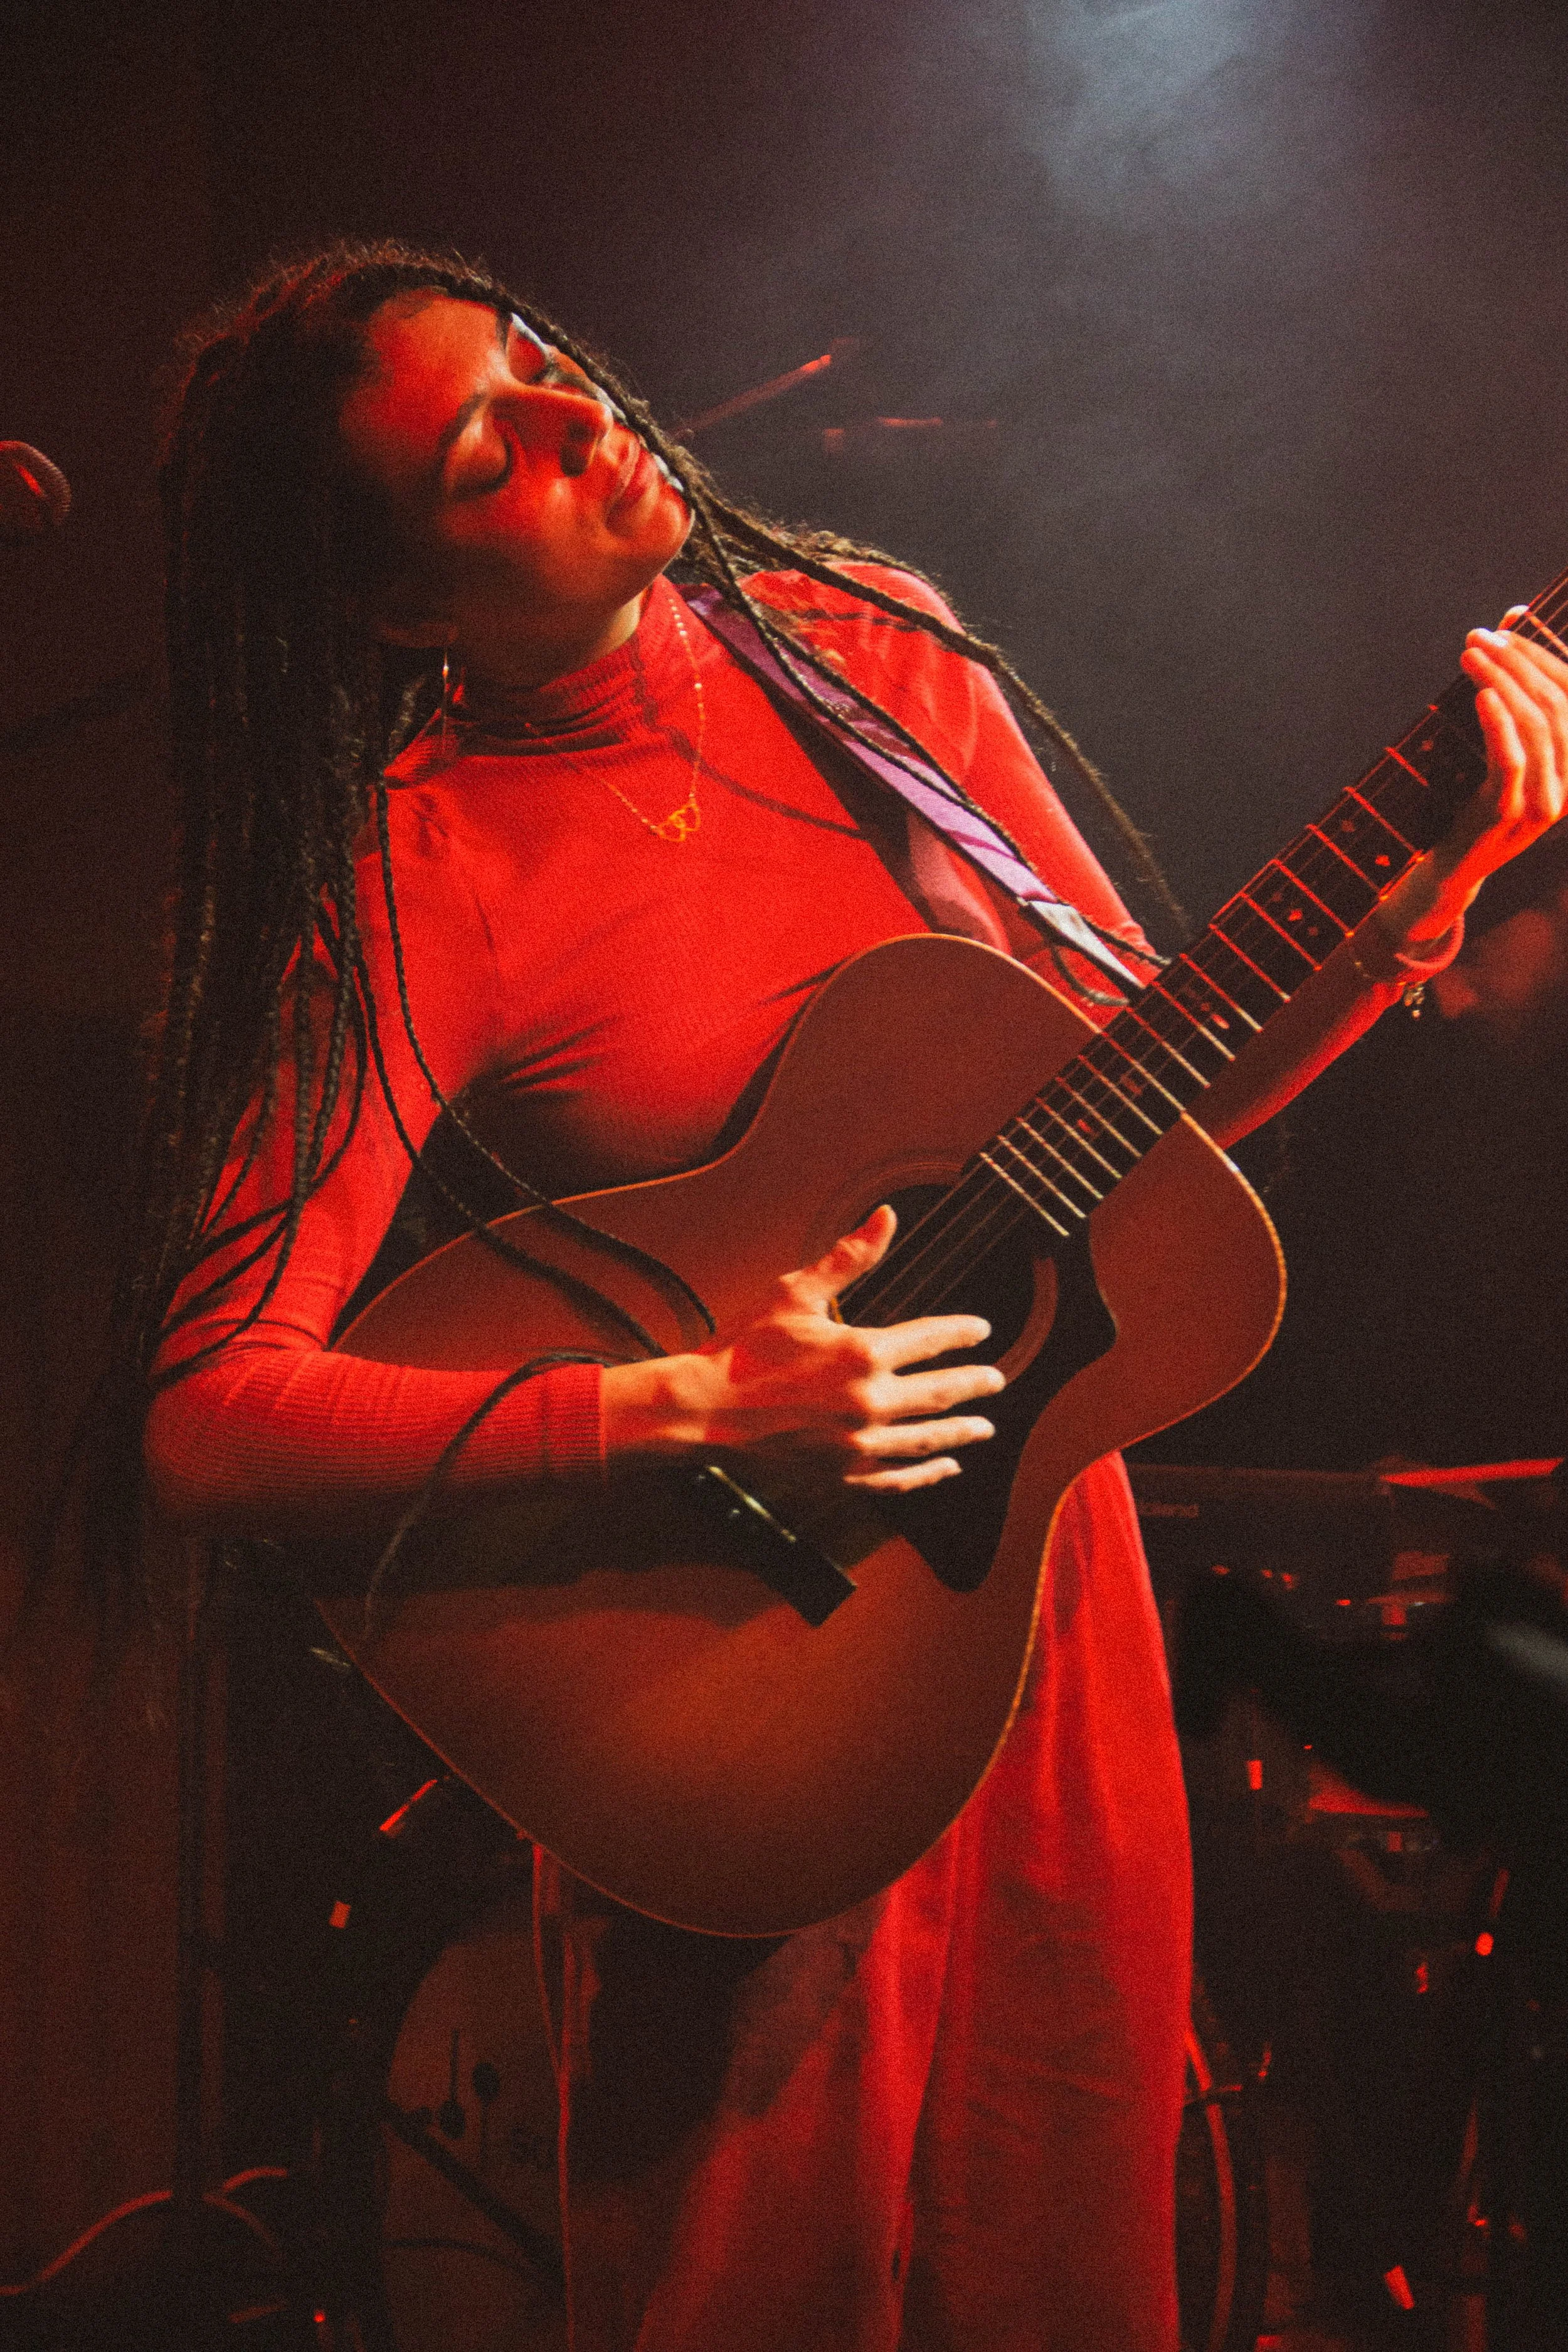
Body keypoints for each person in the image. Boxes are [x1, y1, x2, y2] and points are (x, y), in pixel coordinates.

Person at [121, 241, 1567, 2350]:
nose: (566, 409)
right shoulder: (417, 870)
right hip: (738, 1685)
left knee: (1069, 2280)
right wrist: (695, 1408)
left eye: (533, 355)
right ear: (399, 608)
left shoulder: (862, 655)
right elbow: (210, 1408)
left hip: (1043, 1612)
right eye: (476, 454)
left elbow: (1134, 1104)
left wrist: (1415, 896)